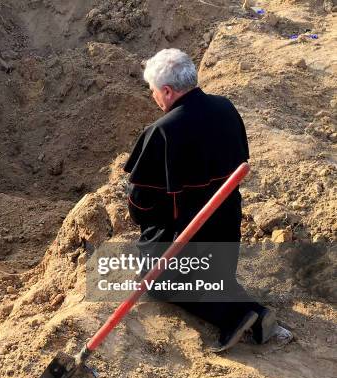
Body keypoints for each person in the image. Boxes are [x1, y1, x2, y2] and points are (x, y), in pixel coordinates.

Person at [123, 48, 291, 351]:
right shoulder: (226, 108)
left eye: (153, 92)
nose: (154, 98)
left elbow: (141, 207)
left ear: (168, 91)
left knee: (155, 281)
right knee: (210, 276)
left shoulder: (162, 131)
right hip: (227, 236)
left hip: (187, 240)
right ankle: (259, 312)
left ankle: (235, 315)